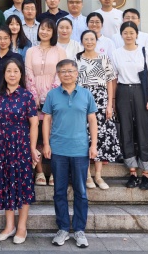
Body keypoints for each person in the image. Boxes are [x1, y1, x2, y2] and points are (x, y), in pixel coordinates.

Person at [42, 59, 98, 249]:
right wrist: (46, 144)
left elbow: (92, 120)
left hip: (80, 150)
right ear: (58, 74)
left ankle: (80, 230)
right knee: (59, 191)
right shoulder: (52, 95)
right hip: (58, 150)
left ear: (76, 73)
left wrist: (93, 145)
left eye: (70, 71)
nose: (67, 74)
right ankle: (63, 228)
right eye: (63, 71)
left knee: (81, 192)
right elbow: (46, 120)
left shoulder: (86, 94)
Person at [0, 58, 39, 245]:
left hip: (21, 146)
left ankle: (21, 227)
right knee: (5, 184)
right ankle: (9, 225)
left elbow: (34, 124)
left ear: (21, 75)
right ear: (4, 74)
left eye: (16, 71)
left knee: (22, 186)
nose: (12, 74)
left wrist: (32, 148)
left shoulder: (27, 96)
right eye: (9, 71)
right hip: (2, 147)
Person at [113, 21, 148, 191]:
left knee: (143, 129)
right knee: (126, 130)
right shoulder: (116, 53)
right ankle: (132, 171)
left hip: (141, 91)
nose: (128, 35)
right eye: (125, 32)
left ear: (137, 34)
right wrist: (113, 100)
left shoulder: (144, 52)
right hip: (123, 91)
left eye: (132, 32)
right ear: (121, 35)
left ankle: (146, 173)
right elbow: (114, 78)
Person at [76, 30, 121, 189]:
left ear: (96, 41)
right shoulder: (76, 59)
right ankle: (88, 175)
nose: (89, 42)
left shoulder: (104, 58)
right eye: (86, 39)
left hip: (101, 100)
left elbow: (110, 82)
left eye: (92, 39)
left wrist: (110, 104)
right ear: (82, 41)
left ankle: (99, 176)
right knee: (84, 136)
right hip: (81, 99)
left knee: (101, 136)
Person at [25, 18, 67, 186]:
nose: (44, 32)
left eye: (48, 29)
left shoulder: (60, 51)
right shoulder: (30, 51)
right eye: (42, 28)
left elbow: (61, 73)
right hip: (34, 97)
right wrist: (34, 96)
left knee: (53, 134)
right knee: (36, 134)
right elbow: (28, 74)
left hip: (55, 96)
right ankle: (39, 171)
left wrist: (51, 97)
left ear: (53, 32)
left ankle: (55, 172)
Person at [0, 26, 24, 93]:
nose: (2, 41)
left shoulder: (17, 57)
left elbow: (22, 79)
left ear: (10, 39)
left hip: (14, 95)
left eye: (5, 38)